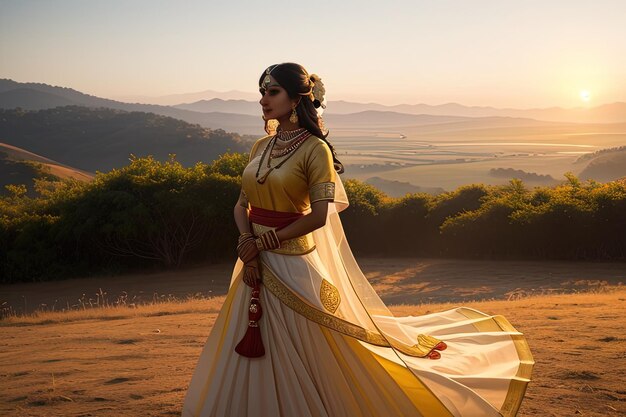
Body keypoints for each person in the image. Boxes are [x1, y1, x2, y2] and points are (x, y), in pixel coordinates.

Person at [181, 62, 534, 417]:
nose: (263, 99)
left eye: (272, 92)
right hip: (253, 261)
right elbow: (241, 204)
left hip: (290, 265)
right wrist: (247, 241)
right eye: (261, 91)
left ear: (296, 98)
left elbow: (319, 216)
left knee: (318, 351)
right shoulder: (260, 146)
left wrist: (261, 243)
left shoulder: (314, 150)